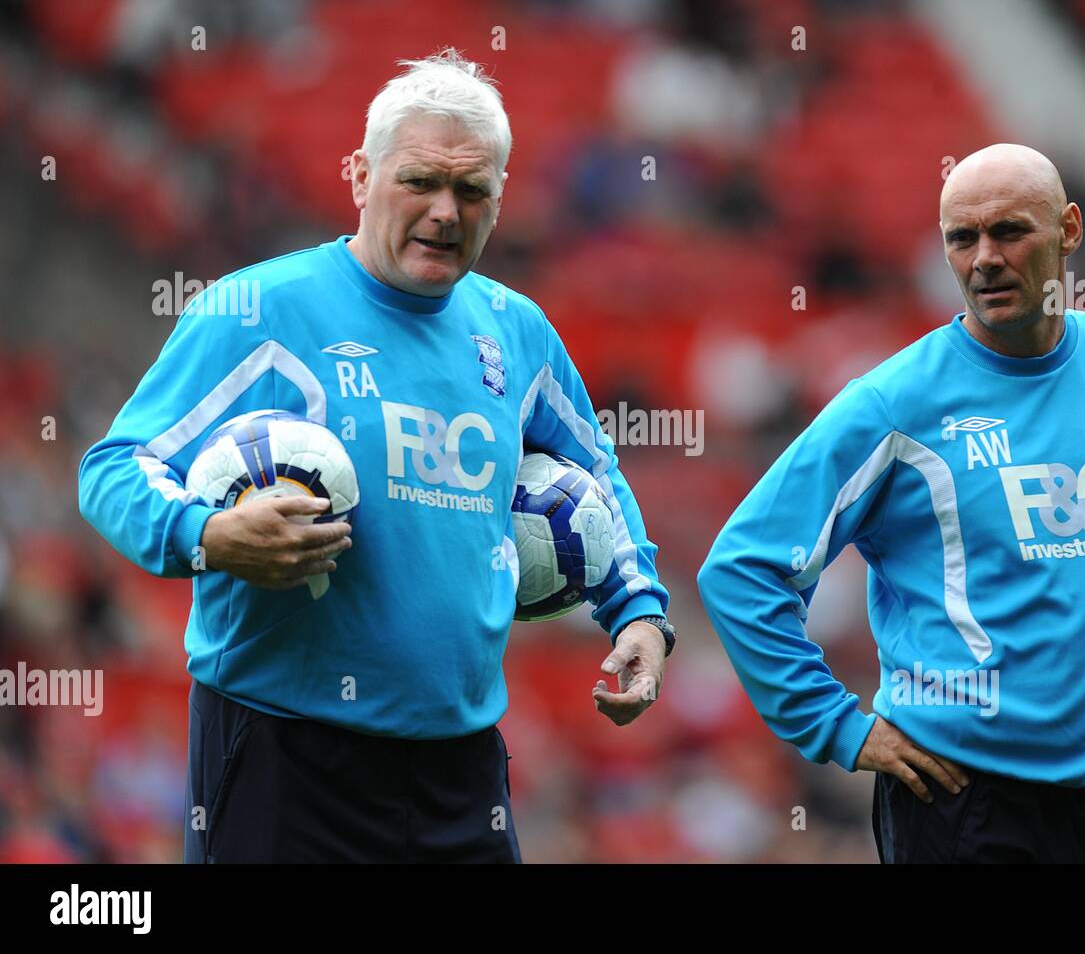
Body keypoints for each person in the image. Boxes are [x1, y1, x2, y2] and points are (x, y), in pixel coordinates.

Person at [77, 49, 675, 863]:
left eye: (472, 191)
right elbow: (113, 468)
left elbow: (597, 472)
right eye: (420, 181)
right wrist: (208, 536)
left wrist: (638, 610)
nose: (445, 211)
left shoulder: (518, 331)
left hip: (458, 768)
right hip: (283, 758)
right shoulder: (261, 310)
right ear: (360, 174)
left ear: (500, 199)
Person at [696, 143, 1085, 863]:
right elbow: (740, 568)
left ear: (1068, 230)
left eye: (1009, 231)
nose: (984, 259)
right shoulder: (892, 403)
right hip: (962, 805)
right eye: (962, 238)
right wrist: (835, 725)